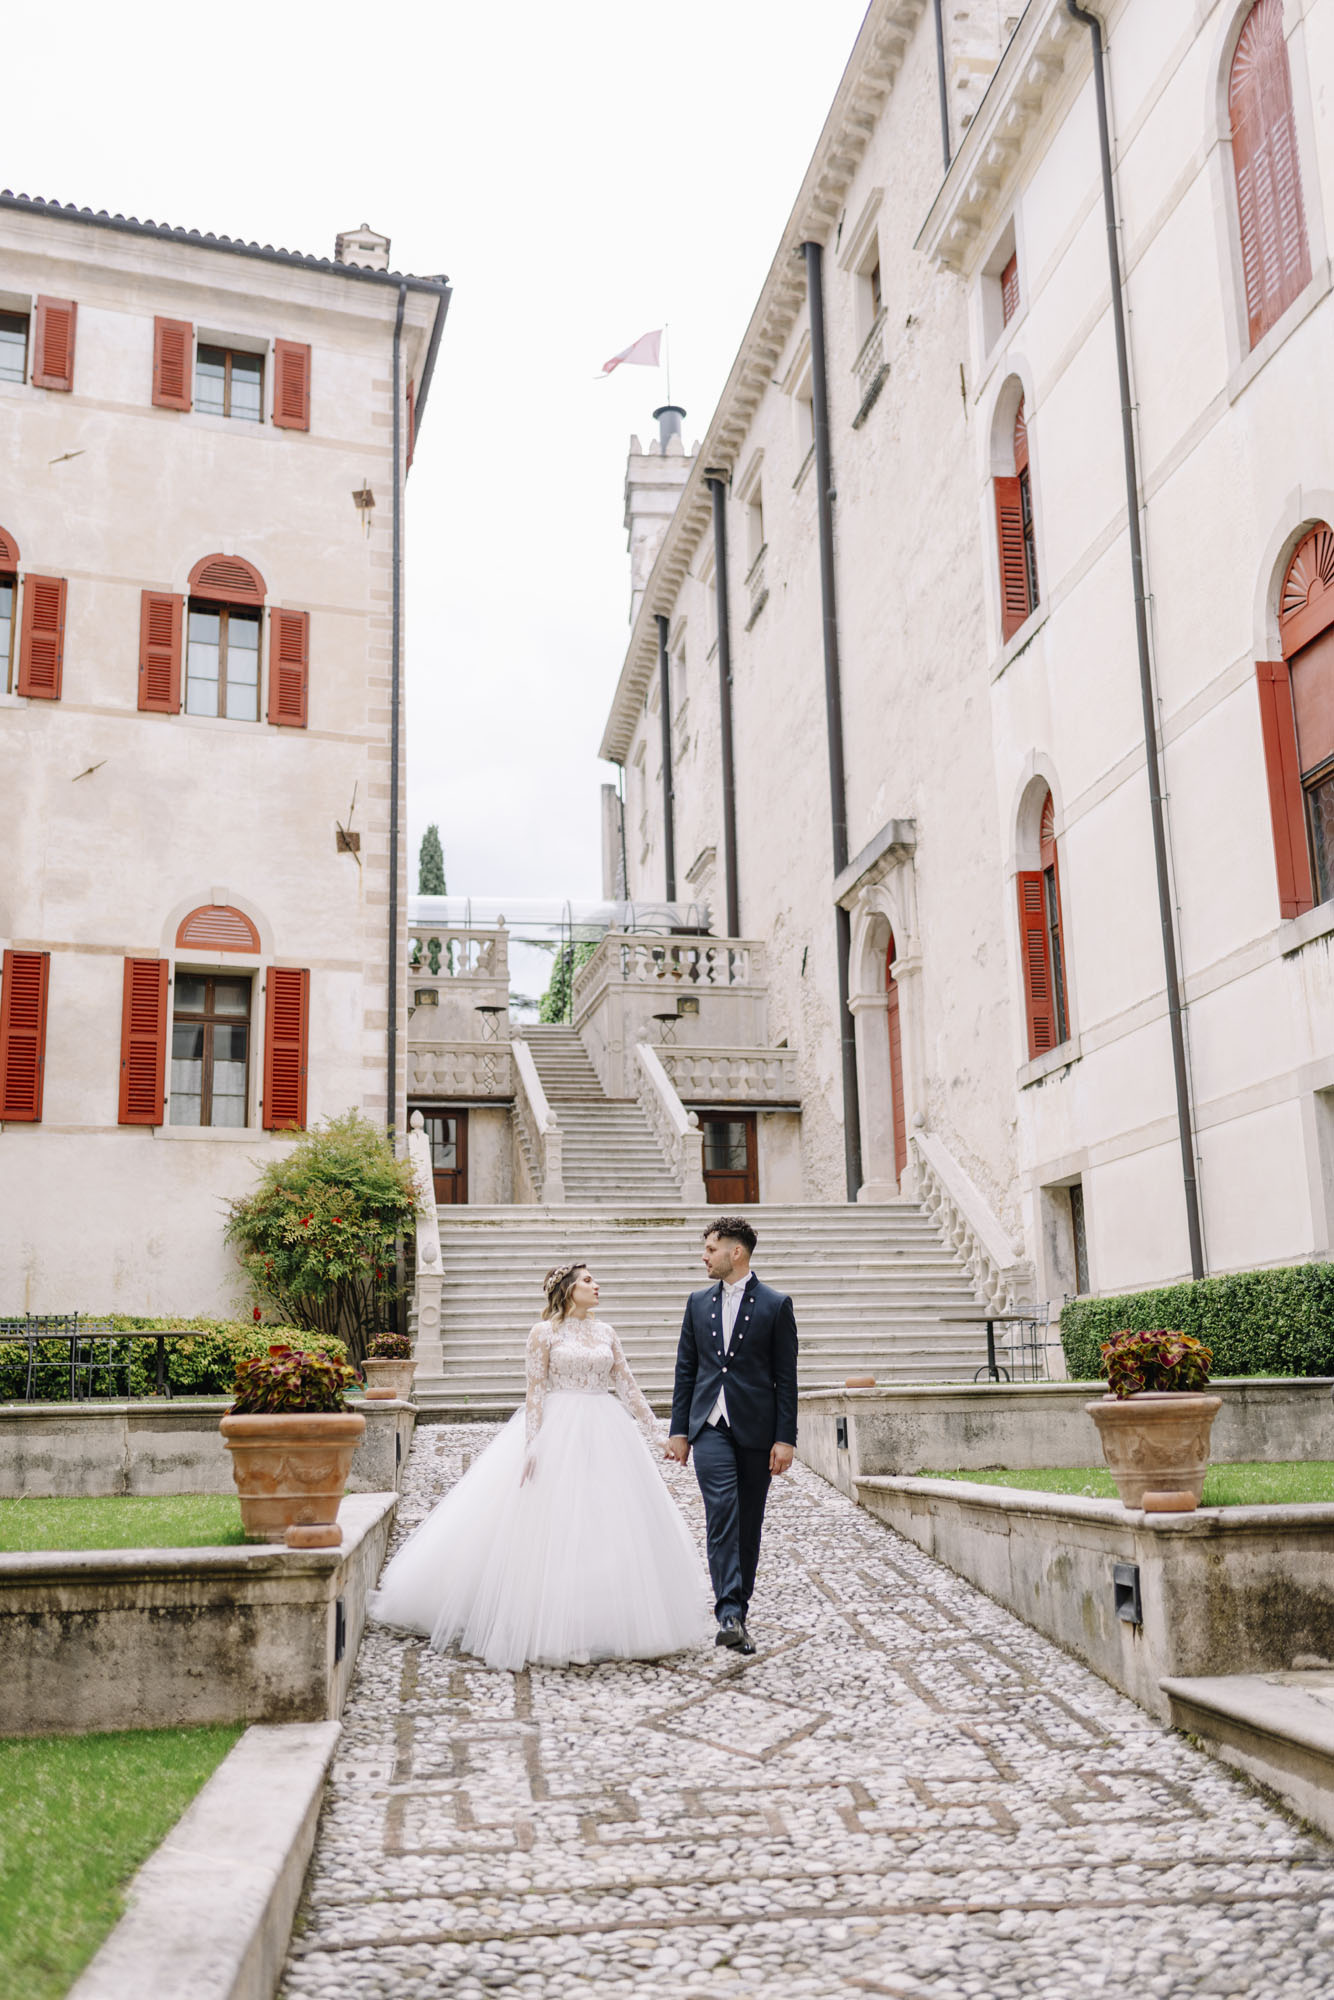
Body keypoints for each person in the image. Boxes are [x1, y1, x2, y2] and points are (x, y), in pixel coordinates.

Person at [368, 1261, 712, 1671]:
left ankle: (600, 1618)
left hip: (606, 1429)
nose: (596, 1285)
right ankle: (545, 1618)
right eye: (588, 1280)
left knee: (607, 1521)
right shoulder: (543, 1333)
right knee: (554, 1523)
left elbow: (628, 1386)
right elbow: (534, 1390)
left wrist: (657, 1434)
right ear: (568, 1289)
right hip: (558, 1427)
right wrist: (533, 1445)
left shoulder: (606, 1332)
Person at [666, 1217, 798, 1656]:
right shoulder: (696, 1303)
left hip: (758, 1430)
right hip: (709, 1428)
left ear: (734, 1252)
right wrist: (680, 1430)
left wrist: (786, 1438)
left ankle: (738, 1611)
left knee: (748, 1521)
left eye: (710, 1249)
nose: (704, 1257)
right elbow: (686, 1370)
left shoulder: (776, 1305)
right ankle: (726, 1610)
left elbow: (785, 1378)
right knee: (721, 1509)